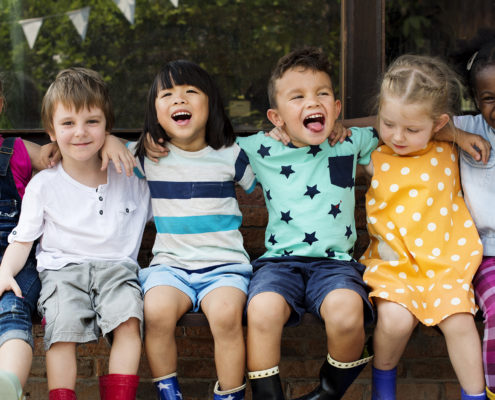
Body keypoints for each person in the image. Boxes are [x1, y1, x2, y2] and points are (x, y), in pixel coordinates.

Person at [234, 47, 377, 400]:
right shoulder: (259, 147)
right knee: (262, 311)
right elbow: (198, 140)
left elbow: (398, 122)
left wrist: (349, 125)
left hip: (336, 265)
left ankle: (328, 392)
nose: (313, 102)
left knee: (347, 315)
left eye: (322, 94)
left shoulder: (349, 142)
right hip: (279, 263)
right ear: (276, 117)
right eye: (297, 97)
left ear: (337, 107)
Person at [0, 67, 151, 400]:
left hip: (118, 268)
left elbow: (166, 144)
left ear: (107, 126)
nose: (80, 133)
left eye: (92, 122)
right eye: (68, 123)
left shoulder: (132, 173)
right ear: (51, 131)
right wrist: (5, 272)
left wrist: (116, 142)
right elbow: (22, 240)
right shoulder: (44, 185)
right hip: (61, 271)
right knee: (61, 331)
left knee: (128, 323)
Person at [360, 54, 486, 400]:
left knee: (460, 324)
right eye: (388, 124)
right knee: (395, 321)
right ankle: (382, 390)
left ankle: (475, 397)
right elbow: (337, 131)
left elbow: (447, 130)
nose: (397, 136)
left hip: (446, 265)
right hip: (395, 266)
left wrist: (456, 135)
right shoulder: (372, 156)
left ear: (438, 123)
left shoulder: (448, 149)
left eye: (412, 129)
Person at [131, 60, 256, 400]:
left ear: (210, 103)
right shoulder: (147, 156)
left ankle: (230, 395)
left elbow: (271, 168)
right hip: (170, 267)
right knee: (155, 313)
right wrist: (118, 144)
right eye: (167, 94)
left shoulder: (231, 154)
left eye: (190, 92)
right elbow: (103, 151)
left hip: (224, 267)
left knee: (228, 317)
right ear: (154, 112)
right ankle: (169, 393)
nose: (179, 100)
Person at [0, 79, 60, 400]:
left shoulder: (18, 150)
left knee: (13, 306)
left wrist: (108, 142)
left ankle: (8, 386)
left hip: (18, 258)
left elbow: (67, 148)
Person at [450, 28, 495, 400]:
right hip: (486, 256)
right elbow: (399, 119)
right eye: (489, 98)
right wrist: (455, 133)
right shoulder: (467, 128)